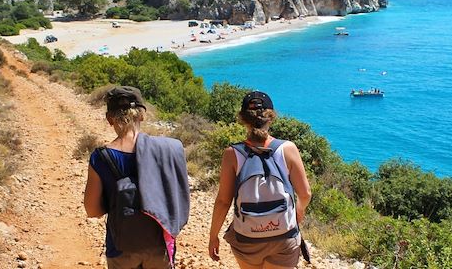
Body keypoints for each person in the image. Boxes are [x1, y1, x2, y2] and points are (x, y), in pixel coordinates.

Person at [83, 86, 190, 268]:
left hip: (120, 247)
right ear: (141, 115)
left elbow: (93, 210)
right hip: (159, 246)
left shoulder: (100, 158)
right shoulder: (168, 150)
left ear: (110, 119)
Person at [208, 91, 313, 269]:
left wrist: (213, 236)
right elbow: (305, 193)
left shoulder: (232, 154)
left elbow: (223, 201)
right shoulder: (288, 149)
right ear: (271, 118)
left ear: (242, 119)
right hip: (284, 237)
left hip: (247, 239)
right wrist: (299, 212)